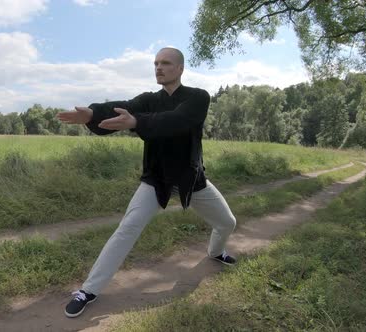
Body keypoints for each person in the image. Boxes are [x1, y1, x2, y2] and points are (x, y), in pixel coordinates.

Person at [56, 47, 237, 318]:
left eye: (165, 63)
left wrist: (137, 122)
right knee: (127, 229)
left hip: (191, 179)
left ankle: (216, 251)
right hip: (157, 180)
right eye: (156, 63)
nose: (159, 68)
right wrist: (92, 114)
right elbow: (122, 108)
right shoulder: (148, 100)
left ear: (180, 69)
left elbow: (175, 121)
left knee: (227, 223)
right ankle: (88, 291)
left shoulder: (198, 98)